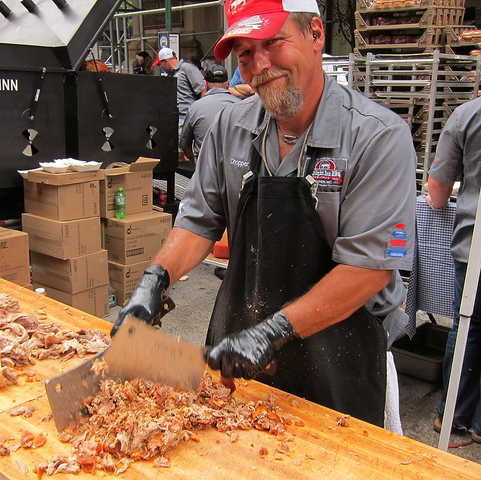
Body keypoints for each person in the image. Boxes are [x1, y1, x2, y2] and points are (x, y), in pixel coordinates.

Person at [112, 0, 416, 429]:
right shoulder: (230, 127)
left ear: (315, 34)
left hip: (340, 358)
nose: (260, 65)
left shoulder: (377, 137)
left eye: (273, 42)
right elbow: (199, 220)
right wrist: (154, 280)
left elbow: (369, 269)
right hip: (242, 357)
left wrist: (272, 333)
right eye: (246, 53)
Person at [427, 94, 481, 444]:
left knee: (468, 328)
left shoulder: (468, 115)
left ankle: (453, 413)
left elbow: (437, 190)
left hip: (475, 244)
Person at [179, 64, 240, 165]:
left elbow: (185, 144)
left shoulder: (195, 108)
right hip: (234, 168)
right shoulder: (241, 106)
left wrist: (193, 160)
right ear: (228, 84)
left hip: (205, 168)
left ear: (206, 85)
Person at [153, 47, 206, 128]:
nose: (161, 67)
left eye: (160, 64)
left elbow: (202, 90)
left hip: (189, 117)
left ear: (165, 61)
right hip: (176, 119)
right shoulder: (170, 75)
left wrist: (203, 115)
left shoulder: (187, 68)